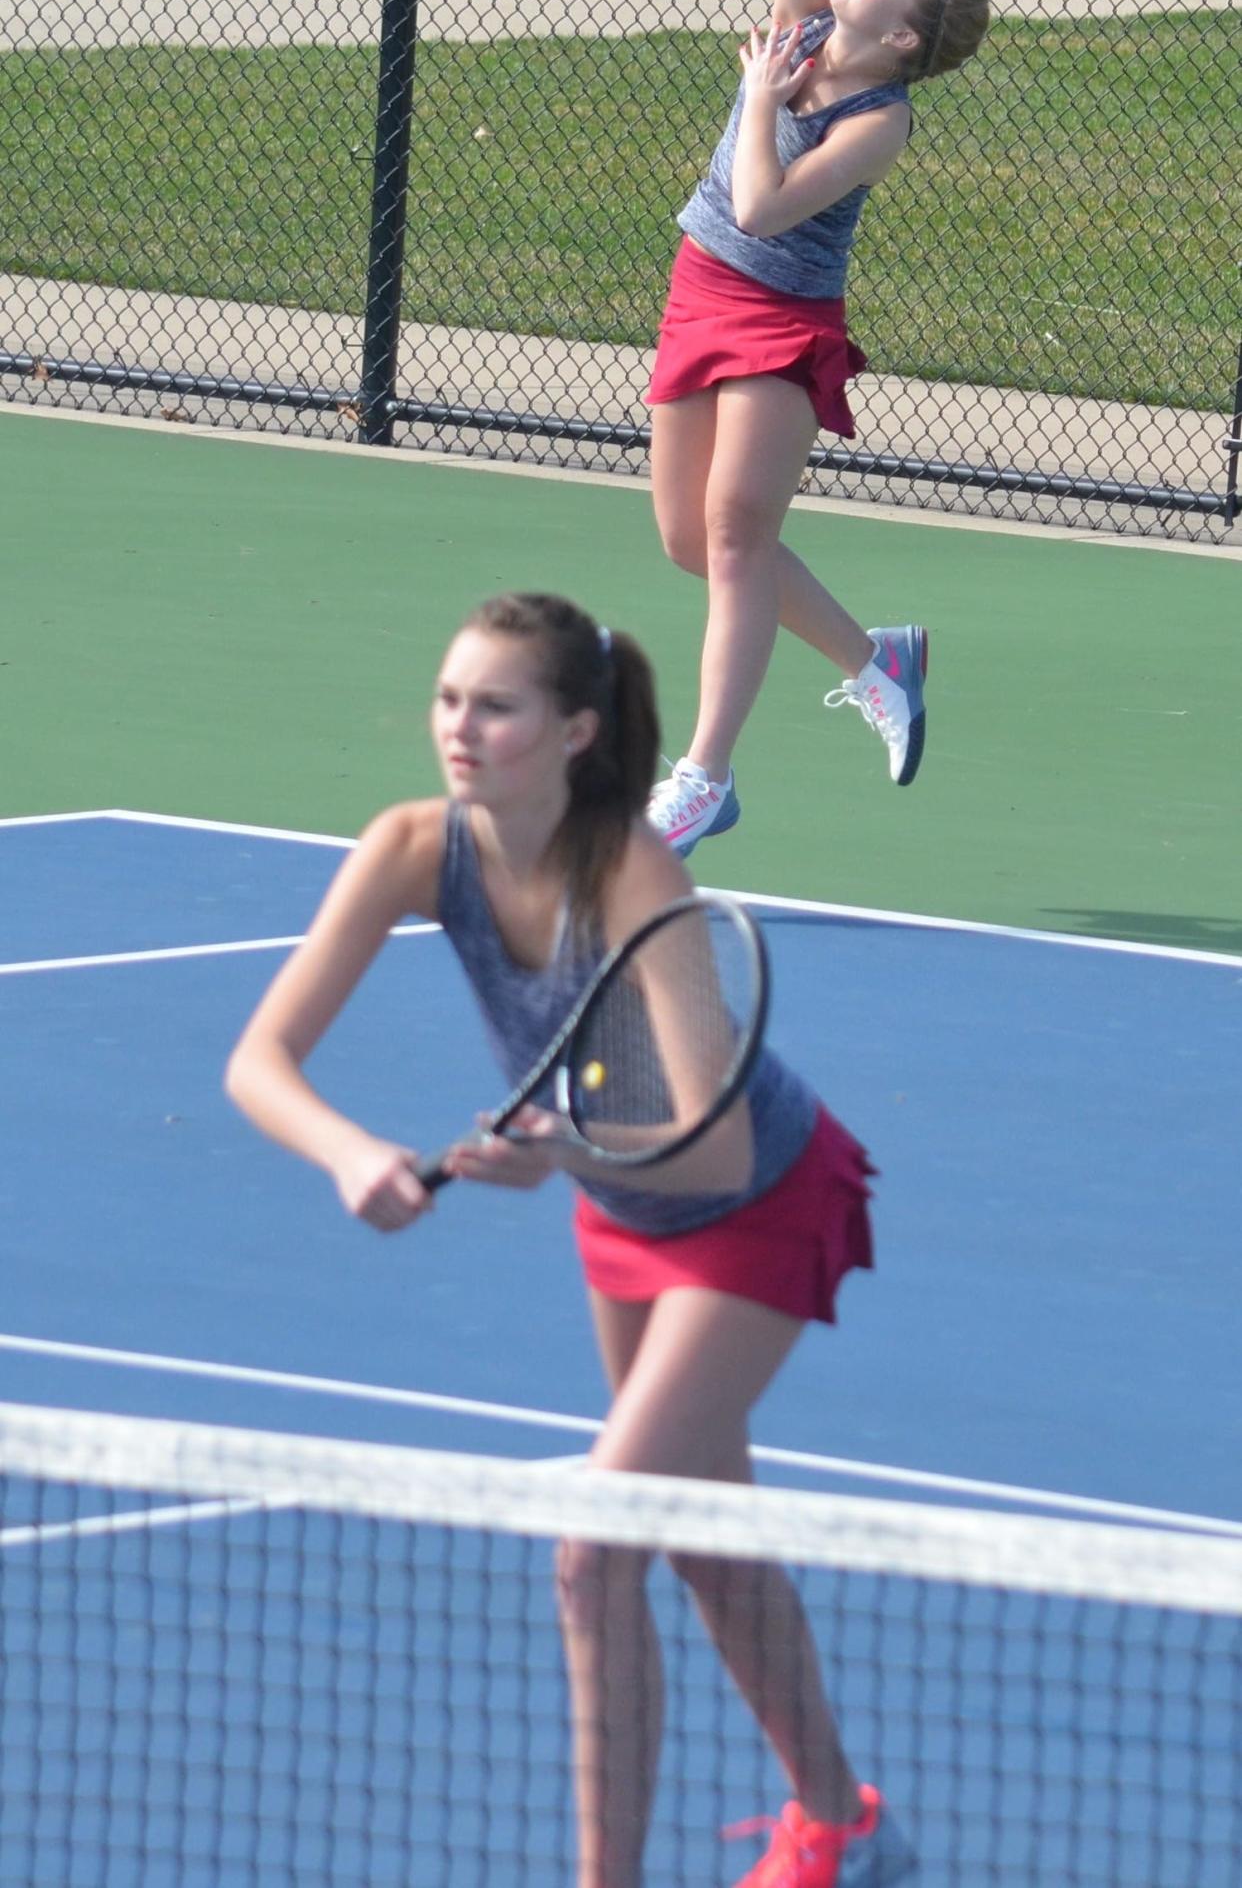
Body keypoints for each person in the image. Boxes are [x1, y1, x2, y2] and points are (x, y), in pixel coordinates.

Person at [225, 590, 915, 1888]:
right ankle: (839, 1818)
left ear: (575, 729)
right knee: (702, 1536)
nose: (459, 728)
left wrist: (562, 1158)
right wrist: (350, 1152)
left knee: (593, 1549)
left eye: (495, 705)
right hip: (621, 1215)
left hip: (754, 1205)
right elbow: (259, 1060)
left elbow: (709, 1140)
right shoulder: (409, 849)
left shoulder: (635, 871)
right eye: (447, 700)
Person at [589, 0, 991, 857]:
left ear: (903, 37)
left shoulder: (880, 120)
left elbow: (766, 202)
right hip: (700, 281)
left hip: (783, 317)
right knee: (691, 537)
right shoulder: (803, 0)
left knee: (734, 530)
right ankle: (879, 663)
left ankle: (704, 776)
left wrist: (760, 96)